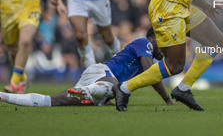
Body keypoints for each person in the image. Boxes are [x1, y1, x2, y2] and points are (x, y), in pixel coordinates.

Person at [0, 27, 175, 107]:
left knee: (51, 101)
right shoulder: (145, 42)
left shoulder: (147, 51)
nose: (167, 47)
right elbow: (150, 72)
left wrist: (105, 101)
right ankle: (89, 91)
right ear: (153, 38)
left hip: (100, 84)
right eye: (165, 41)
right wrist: (167, 99)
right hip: (101, 73)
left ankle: (3, 96)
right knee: (113, 87)